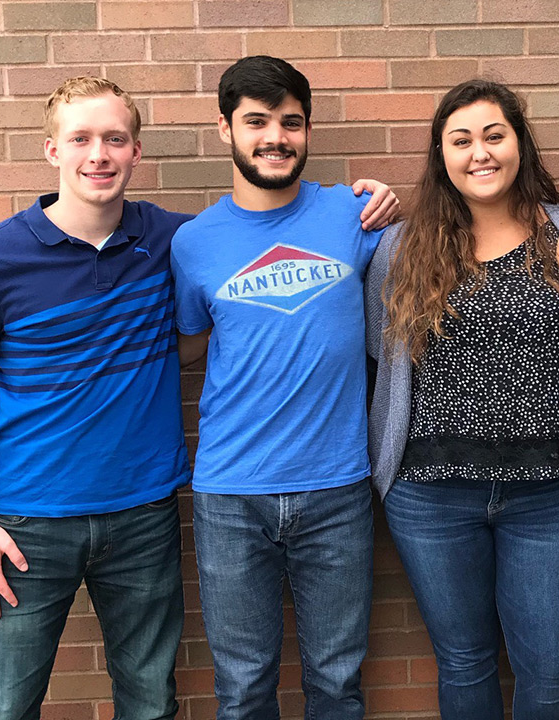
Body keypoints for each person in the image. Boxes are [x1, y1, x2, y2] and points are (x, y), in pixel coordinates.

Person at [365, 78, 559, 720]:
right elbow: (379, 354)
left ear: (520, 145)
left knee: (550, 674)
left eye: (495, 135)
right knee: (465, 663)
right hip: (430, 494)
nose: (481, 152)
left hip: (545, 493)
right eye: (462, 139)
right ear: (441, 155)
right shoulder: (401, 248)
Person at [169, 56, 398, 720]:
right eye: (257, 121)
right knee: (243, 690)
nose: (276, 137)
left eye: (291, 122)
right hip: (231, 494)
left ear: (307, 130)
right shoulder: (193, 242)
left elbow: (440, 235)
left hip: (337, 487)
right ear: (224, 129)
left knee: (336, 683)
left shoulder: (352, 212)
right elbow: (189, 342)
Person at [0, 76, 190, 720]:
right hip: (23, 524)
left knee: (151, 702)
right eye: (81, 139)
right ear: (52, 150)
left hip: (144, 514)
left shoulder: (173, 240)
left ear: (136, 152)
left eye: (115, 139)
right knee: (6, 705)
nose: (99, 154)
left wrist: (358, 202)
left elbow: (259, 228)